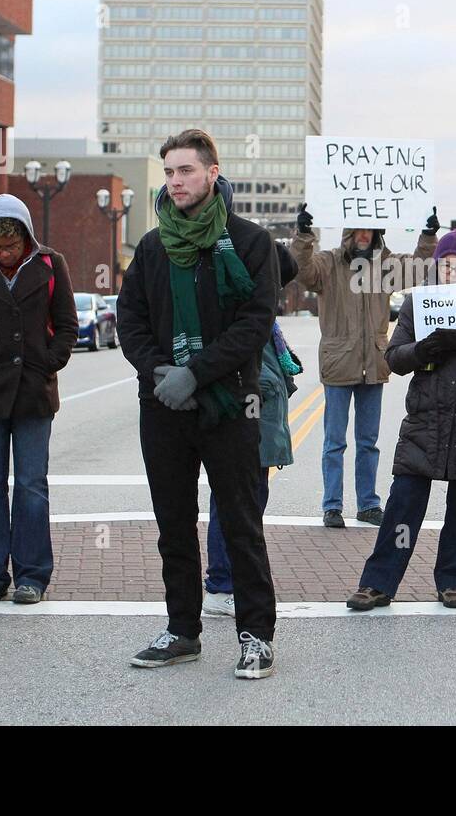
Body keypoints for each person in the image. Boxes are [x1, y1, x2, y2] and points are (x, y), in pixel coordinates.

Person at [118, 128, 280, 679]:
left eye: (185, 170)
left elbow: (254, 325)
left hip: (232, 405)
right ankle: (182, 630)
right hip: (163, 407)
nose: (175, 181)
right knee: (174, 524)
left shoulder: (251, 243)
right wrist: (159, 371)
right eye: (169, 172)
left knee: (240, 523)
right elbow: (130, 320)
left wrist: (195, 373)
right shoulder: (151, 245)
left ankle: (256, 635)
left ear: (212, 173)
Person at [346, 230, 456, 611]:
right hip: (426, 416)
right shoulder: (417, 303)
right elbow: (395, 357)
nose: (451, 272)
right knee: (403, 502)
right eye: (445, 265)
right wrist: (424, 348)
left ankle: (453, 581)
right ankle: (378, 583)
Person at [0, 194, 78, 605]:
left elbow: (66, 324)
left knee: (31, 485)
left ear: (26, 238)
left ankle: (32, 575)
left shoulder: (51, 263)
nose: (4, 253)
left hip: (33, 390)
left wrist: (49, 361)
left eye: (11, 246)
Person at [292, 204, 439, 528]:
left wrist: (428, 236)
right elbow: (302, 271)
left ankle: (368, 504)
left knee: (368, 442)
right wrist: (303, 235)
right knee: (335, 442)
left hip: (373, 363)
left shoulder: (385, 265)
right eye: (359, 228)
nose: (363, 234)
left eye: (369, 229)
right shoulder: (329, 263)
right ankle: (332, 506)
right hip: (338, 364)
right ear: (349, 231)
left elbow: (418, 268)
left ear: (376, 232)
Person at [202, 242, 303, 617]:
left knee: (245, 506)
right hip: (246, 426)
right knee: (234, 504)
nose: (278, 292)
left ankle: (228, 580)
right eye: (277, 282)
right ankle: (221, 584)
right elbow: (249, 372)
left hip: (259, 427)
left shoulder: (265, 320)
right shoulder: (244, 313)